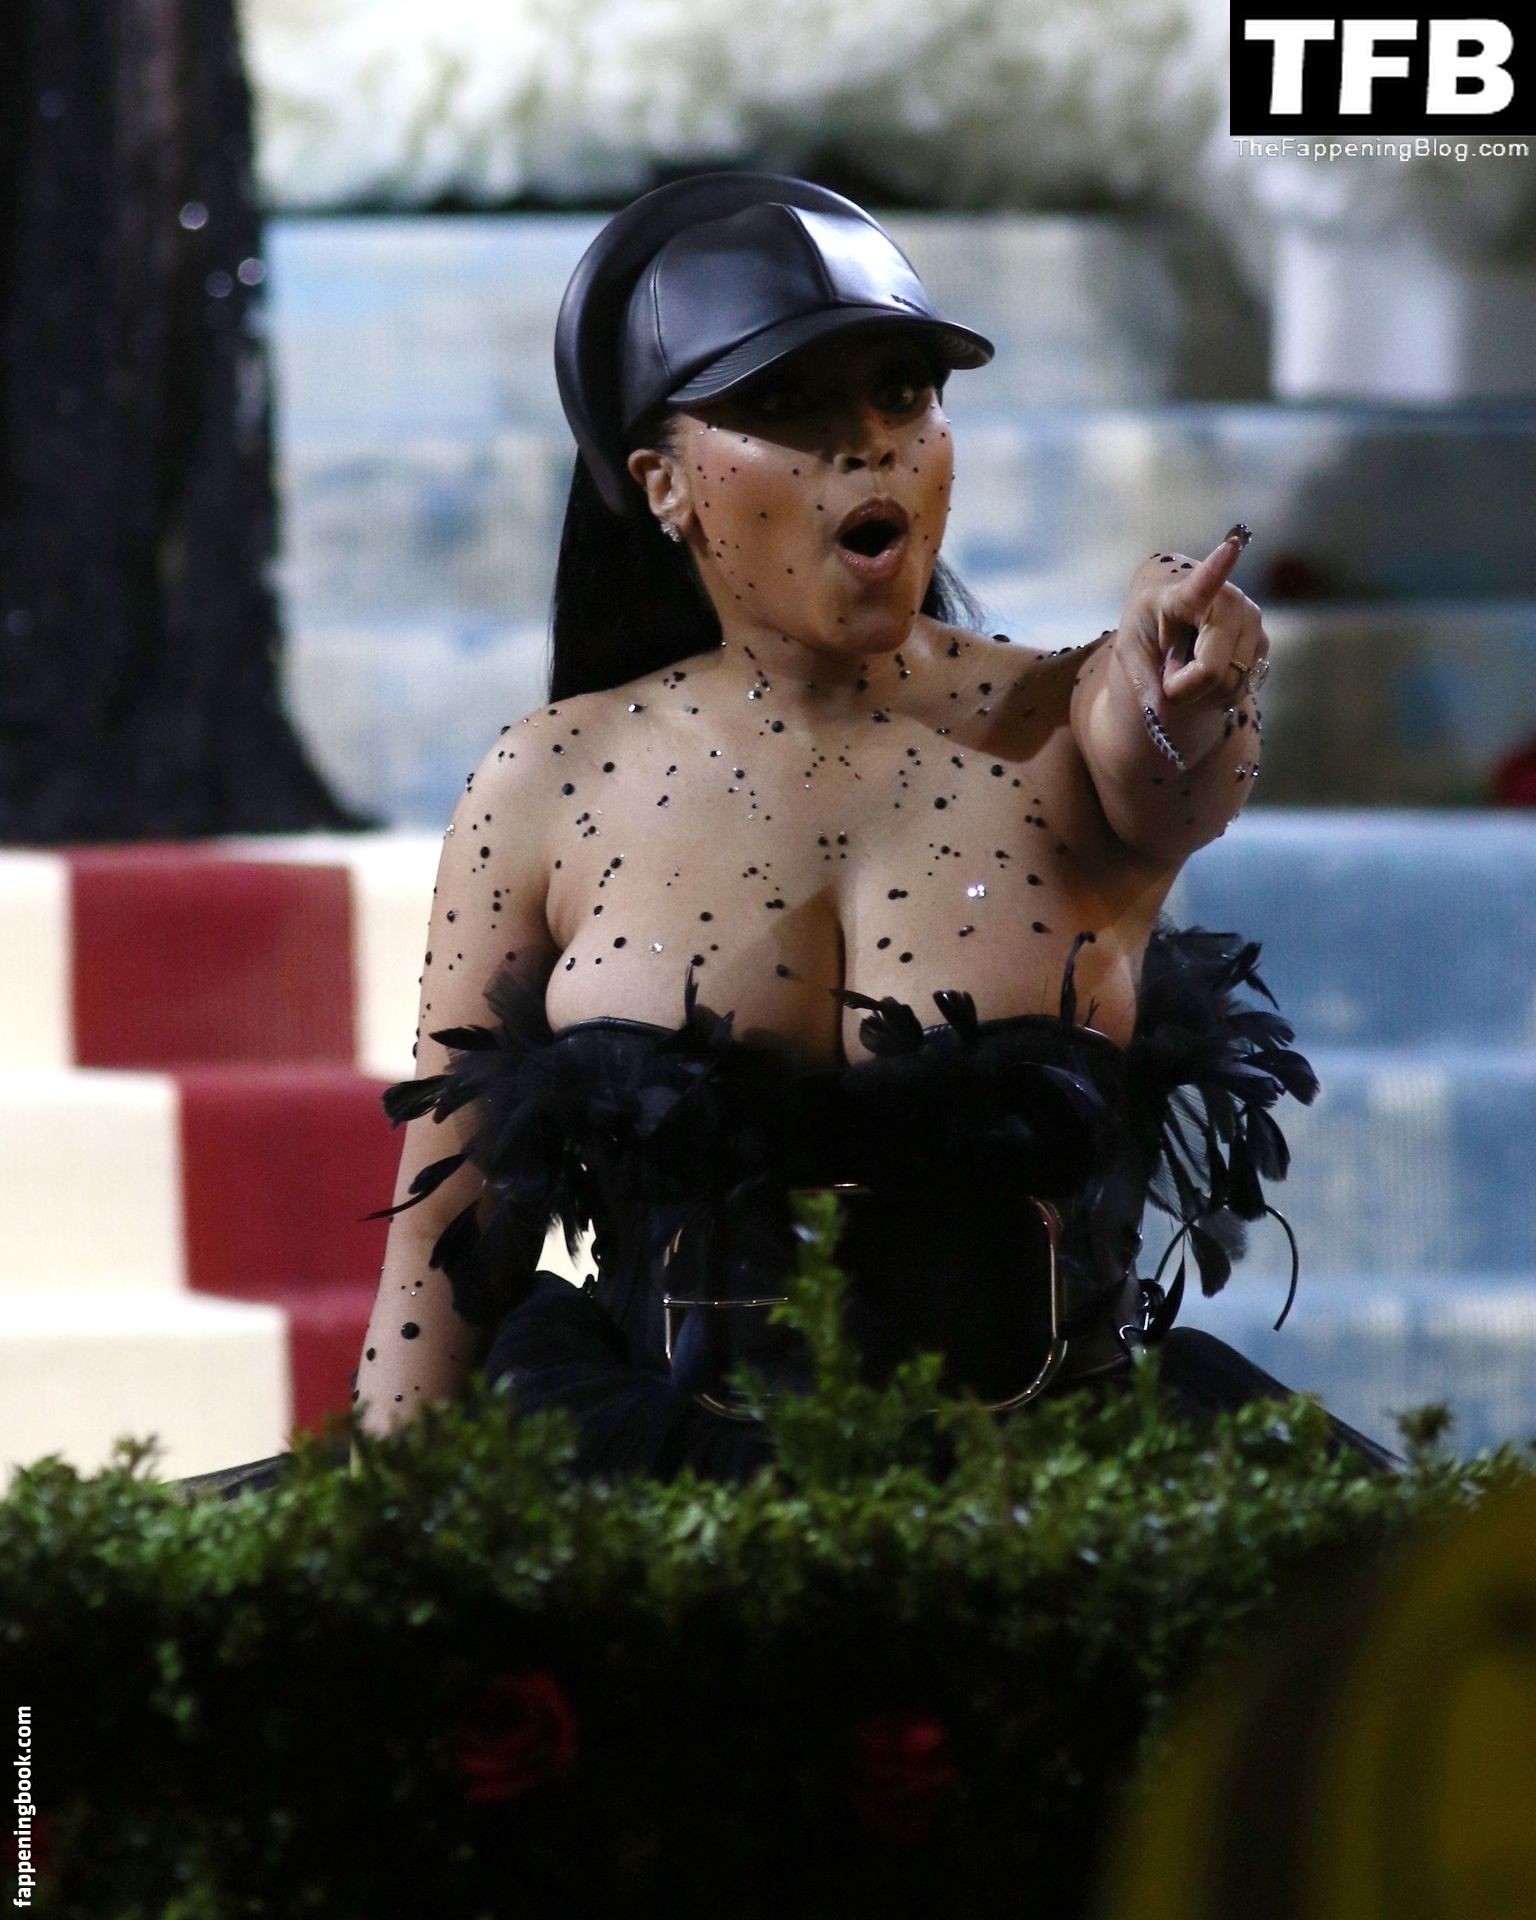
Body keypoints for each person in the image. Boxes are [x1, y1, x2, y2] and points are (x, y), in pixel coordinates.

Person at [166, 171, 1399, 1501]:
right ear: (664, 485)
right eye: (788, 406)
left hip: (1056, 1503)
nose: (867, 445)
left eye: (903, 393)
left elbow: (1174, 769)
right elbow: (451, 1233)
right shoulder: (547, 782)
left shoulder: (1081, 716)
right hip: (650, 1502)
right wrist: (371, 1537)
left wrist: (1188, 691)